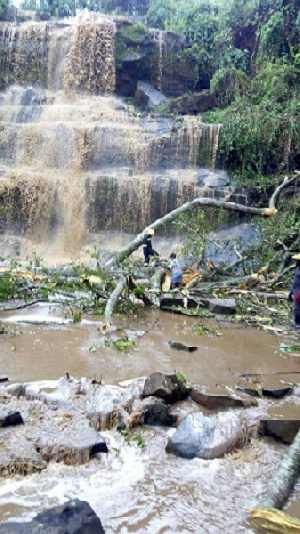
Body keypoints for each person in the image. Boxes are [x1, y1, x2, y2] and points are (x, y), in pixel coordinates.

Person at [288, 253, 300, 329]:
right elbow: (295, 283)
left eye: (297, 261)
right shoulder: (297, 269)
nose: (295, 262)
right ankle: (296, 322)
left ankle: (298, 324)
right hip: (296, 291)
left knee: (298, 308)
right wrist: (290, 293)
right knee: (296, 308)